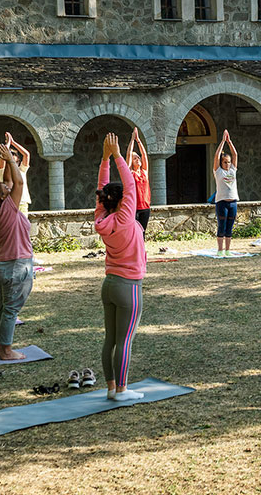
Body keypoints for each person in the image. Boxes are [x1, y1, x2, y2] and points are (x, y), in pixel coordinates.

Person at [95, 133, 146, 401]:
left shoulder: (102, 217)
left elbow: (103, 190)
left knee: (111, 340)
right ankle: (122, 390)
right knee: (125, 341)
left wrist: (105, 160)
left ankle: (111, 387)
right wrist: (115, 155)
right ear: (123, 200)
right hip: (129, 287)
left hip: (110, 284)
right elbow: (130, 184)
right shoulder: (125, 217)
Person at [0, 142, 34, 360]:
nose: (10, 188)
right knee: (11, 310)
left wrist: (6, 158)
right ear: (3, 198)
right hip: (14, 265)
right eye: (6, 190)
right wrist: (12, 160)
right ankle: (5, 350)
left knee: (4, 308)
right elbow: (19, 181)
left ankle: (1, 348)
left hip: (1, 264)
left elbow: (10, 181)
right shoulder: (8, 208)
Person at [212, 129, 239, 257]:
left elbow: (235, 154)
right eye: (225, 162)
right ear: (221, 163)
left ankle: (228, 250)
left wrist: (230, 142)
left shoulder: (233, 170)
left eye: (228, 162)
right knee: (221, 226)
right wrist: (223, 141)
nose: (227, 164)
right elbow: (216, 156)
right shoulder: (218, 172)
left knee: (229, 227)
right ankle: (220, 250)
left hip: (233, 202)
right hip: (222, 203)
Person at [0, 132, 31, 216]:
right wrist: (8, 143)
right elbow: (4, 156)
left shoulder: (21, 170)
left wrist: (13, 142)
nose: (11, 156)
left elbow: (26, 155)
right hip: (9, 203)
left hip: (22, 203)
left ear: (18, 159)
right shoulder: (2, 170)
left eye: (13, 155)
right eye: (10, 154)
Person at [125, 127, 152, 236]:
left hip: (146, 207)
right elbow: (128, 155)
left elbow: (144, 155)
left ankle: (141, 247)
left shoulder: (144, 172)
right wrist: (132, 140)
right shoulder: (130, 173)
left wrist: (139, 140)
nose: (138, 159)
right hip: (134, 208)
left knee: (142, 232)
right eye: (135, 158)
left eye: (138, 158)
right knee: (134, 232)